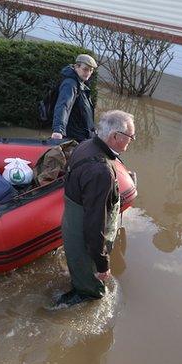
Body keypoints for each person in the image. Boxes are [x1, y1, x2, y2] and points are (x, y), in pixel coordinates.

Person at [53, 110, 135, 309]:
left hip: (72, 225)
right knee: (93, 293)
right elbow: (94, 224)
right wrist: (102, 264)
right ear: (115, 136)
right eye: (130, 137)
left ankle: (75, 287)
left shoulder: (85, 145)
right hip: (85, 234)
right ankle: (79, 298)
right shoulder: (101, 171)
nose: (131, 141)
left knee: (78, 266)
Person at [50, 54, 97, 142]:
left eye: (91, 70)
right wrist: (58, 130)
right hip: (73, 139)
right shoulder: (70, 84)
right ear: (76, 67)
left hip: (82, 138)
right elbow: (64, 106)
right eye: (85, 69)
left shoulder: (81, 84)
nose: (88, 73)